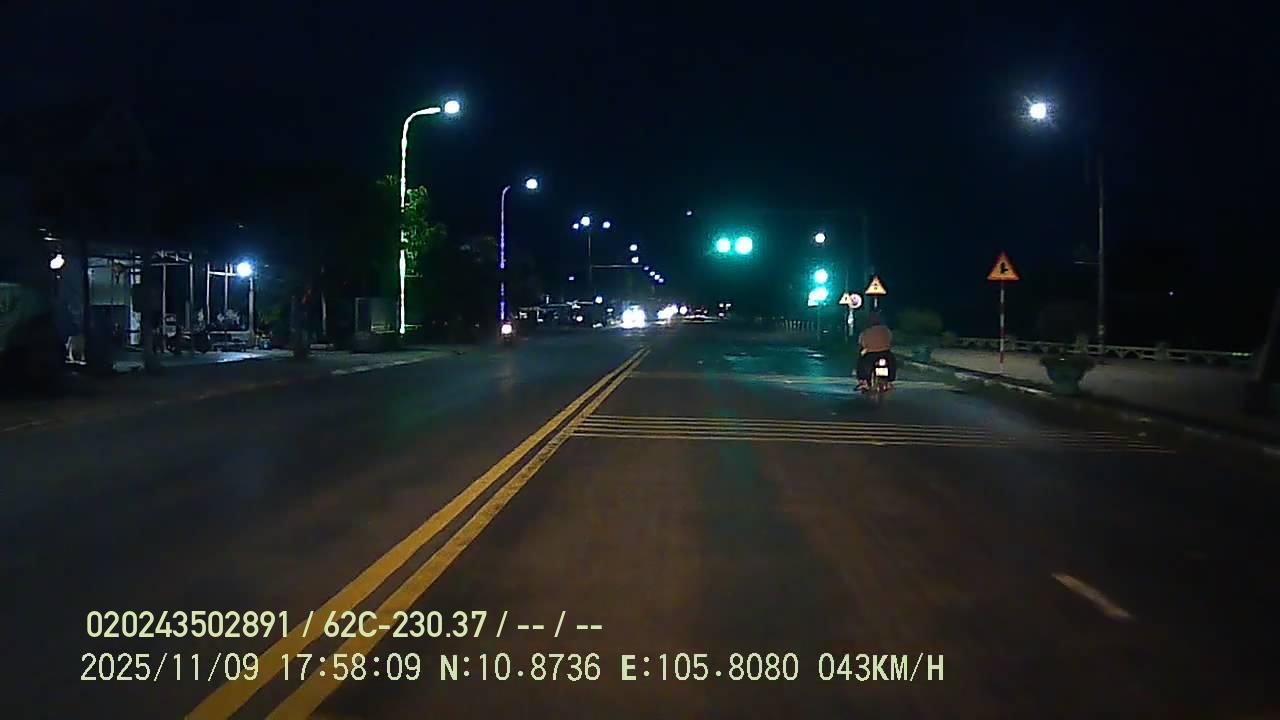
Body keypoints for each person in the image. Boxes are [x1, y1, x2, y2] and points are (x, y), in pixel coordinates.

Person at [855, 312, 896, 389]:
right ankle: (889, 382)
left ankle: (863, 381)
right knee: (892, 363)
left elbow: (862, 343)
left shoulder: (866, 332)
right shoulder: (885, 330)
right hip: (885, 353)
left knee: (861, 363)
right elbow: (890, 339)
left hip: (871, 354)